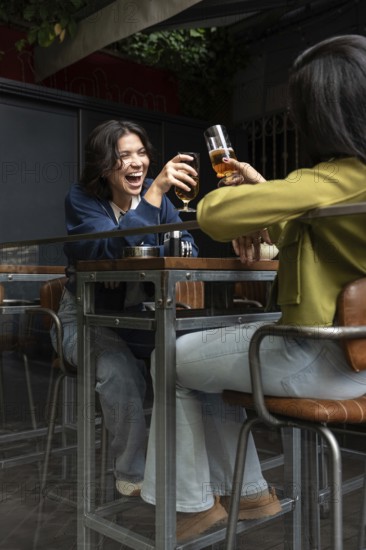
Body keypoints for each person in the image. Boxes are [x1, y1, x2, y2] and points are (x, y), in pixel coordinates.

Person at [141, 34, 366, 541]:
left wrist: (250, 195)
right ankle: (250, 494)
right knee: (216, 354)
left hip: (324, 356)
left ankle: (195, 504)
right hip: (356, 354)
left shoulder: (338, 177)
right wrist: (269, 194)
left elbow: (216, 216)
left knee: (167, 358)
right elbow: (301, 232)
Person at [52, 119, 198, 497]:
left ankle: (189, 469)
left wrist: (128, 257)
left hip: (135, 319)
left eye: (141, 153)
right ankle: (133, 474)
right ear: (104, 164)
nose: (137, 163)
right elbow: (99, 251)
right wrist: (130, 247)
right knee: (119, 371)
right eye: (123, 156)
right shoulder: (83, 198)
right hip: (83, 320)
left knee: (187, 360)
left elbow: (186, 251)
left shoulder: (156, 195)